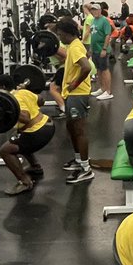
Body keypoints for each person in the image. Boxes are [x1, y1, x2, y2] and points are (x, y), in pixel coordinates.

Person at [0, 73, 54, 196]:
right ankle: (35, 166)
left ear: (3, 87)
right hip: (48, 125)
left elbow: (25, 118)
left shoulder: (14, 99)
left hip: (38, 132)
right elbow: (41, 100)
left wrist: (9, 106)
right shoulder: (23, 92)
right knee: (17, 136)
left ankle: (25, 181)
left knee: (5, 150)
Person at [57, 17, 95, 184]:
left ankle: (86, 168)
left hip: (77, 94)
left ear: (67, 33)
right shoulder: (73, 46)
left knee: (79, 130)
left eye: (60, 34)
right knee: (71, 127)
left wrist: (74, 83)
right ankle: (78, 159)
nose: (59, 37)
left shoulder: (75, 47)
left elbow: (86, 67)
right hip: (71, 94)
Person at [87, 4, 115, 101]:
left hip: (102, 49)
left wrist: (104, 49)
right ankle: (102, 88)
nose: (93, 12)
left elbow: (107, 35)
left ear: (99, 10)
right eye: (92, 10)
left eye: (95, 10)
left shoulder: (105, 21)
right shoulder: (93, 20)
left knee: (105, 69)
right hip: (95, 49)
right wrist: (90, 48)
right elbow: (93, 35)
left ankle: (108, 91)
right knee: (99, 69)